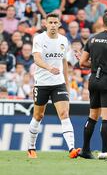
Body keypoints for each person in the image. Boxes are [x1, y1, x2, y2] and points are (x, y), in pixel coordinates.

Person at [26, 13, 80, 159]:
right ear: (45, 24)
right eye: (50, 22)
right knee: (38, 116)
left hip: (58, 83)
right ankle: (31, 147)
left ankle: (71, 149)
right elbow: (37, 59)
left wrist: (67, 84)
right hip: (42, 83)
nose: (53, 25)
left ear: (60, 24)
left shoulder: (64, 40)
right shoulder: (39, 38)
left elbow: (64, 63)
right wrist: (49, 68)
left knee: (64, 114)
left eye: (56, 22)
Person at [78, 12, 107, 159]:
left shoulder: (92, 39)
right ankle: (105, 152)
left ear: (103, 23)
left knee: (93, 115)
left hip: (93, 80)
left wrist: (97, 65)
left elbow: (82, 62)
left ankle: (85, 150)